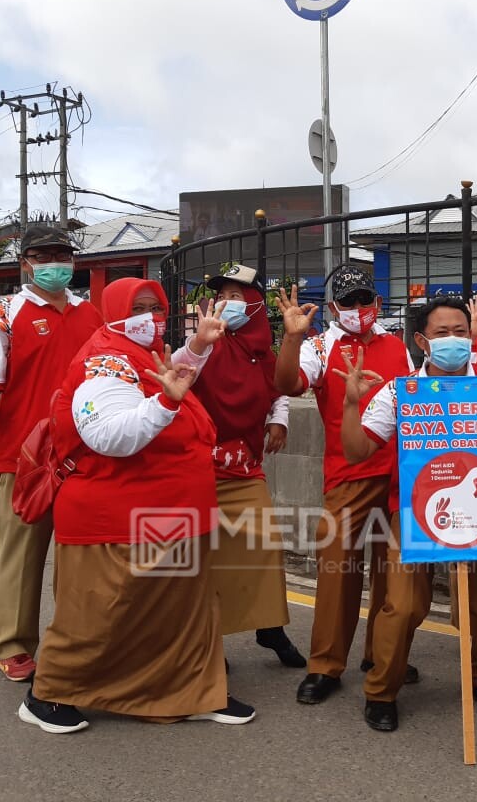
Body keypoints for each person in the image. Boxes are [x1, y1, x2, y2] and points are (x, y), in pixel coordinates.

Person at [20, 278, 253, 733]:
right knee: (103, 615)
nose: (151, 316)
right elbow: (109, 435)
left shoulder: (136, 352)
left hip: (173, 514)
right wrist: (167, 401)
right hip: (117, 521)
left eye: (157, 306)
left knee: (181, 615)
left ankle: (190, 692)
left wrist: (198, 349)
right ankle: (46, 693)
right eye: (139, 307)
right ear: (113, 311)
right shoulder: (103, 361)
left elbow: (167, 378)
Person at [338, 296, 477, 732]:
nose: (453, 340)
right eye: (440, 333)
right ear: (421, 340)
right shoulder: (401, 391)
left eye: (459, 331)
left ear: (471, 335)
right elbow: (357, 452)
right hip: (415, 512)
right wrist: (351, 404)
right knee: (404, 605)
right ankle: (381, 691)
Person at [273, 264, 416, 706]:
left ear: (377, 302)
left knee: (393, 578)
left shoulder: (398, 347)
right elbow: (286, 383)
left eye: (366, 300)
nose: (359, 309)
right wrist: (292, 337)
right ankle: (325, 665)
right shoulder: (320, 345)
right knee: (338, 573)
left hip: (397, 476)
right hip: (347, 478)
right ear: (334, 307)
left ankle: (381, 655)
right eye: (349, 302)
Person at [0, 224, 102, 682]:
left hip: (83, 453)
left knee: (79, 554)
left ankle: (75, 638)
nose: (55, 264)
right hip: (22, 456)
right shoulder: (3, 313)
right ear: (25, 262)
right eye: (43, 256)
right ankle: (14, 645)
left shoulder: (92, 315)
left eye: (62, 255)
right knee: (21, 555)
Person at [174, 264, 304, 669]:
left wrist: (278, 417)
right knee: (205, 559)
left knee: (263, 547)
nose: (228, 303)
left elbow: (276, 385)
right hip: (200, 465)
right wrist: (198, 342)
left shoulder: (262, 347)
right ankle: (210, 640)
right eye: (223, 295)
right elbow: (178, 372)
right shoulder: (205, 340)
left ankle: (269, 628)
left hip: (245, 465)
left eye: (237, 296)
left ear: (253, 305)